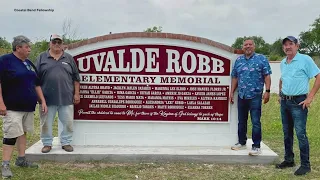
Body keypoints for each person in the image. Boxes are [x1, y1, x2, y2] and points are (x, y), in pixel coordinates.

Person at [0, 35, 48, 178]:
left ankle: (21, 159)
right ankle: (5, 165)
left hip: (28, 107)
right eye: (27, 47)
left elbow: (36, 83)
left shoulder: (28, 63)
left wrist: (42, 101)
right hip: (12, 107)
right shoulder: (5, 61)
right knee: (11, 135)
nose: (29, 49)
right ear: (18, 47)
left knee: (23, 132)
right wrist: (1, 103)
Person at [275, 36, 320, 176]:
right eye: (285, 45)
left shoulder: (305, 59)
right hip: (285, 102)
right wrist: (280, 94)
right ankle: (289, 160)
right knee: (287, 132)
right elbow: (282, 78)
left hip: (298, 102)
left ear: (297, 46)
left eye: (291, 44)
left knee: (300, 133)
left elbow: (318, 76)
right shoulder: (283, 62)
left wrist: (310, 97)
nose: (288, 47)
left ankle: (305, 165)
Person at [35, 34, 80, 153]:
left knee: (68, 123)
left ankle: (66, 142)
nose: (56, 44)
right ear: (50, 43)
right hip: (46, 99)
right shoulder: (41, 57)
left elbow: (76, 78)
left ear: (62, 44)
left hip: (66, 97)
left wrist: (77, 94)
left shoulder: (69, 58)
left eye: (59, 42)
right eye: (54, 42)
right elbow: (35, 79)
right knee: (46, 123)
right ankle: (47, 143)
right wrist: (39, 97)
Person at [230, 38, 272, 156]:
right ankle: (242, 142)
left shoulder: (261, 59)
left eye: (250, 44)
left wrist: (267, 91)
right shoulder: (239, 61)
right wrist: (231, 92)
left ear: (254, 46)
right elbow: (235, 77)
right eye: (245, 45)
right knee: (241, 121)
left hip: (255, 95)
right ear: (243, 47)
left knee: (255, 121)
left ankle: (256, 146)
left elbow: (267, 76)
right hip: (242, 95)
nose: (247, 46)